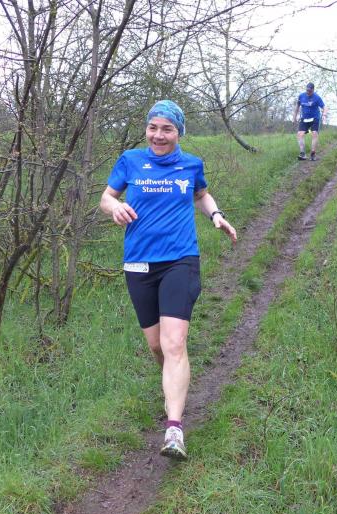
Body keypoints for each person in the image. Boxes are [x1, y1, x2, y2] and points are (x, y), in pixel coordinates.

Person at [99, 100, 237, 460]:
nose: (159, 135)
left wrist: (216, 215)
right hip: (138, 263)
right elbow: (106, 197)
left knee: (174, 342)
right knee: (157, 346)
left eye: (167, 129)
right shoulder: (130, 160)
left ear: (179, 133)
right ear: (146, 129)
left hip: (180, 260)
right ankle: (173, 385)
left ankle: (174, 428)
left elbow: (201, 194)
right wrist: (115, 207)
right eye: (153, 128)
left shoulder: (191, 164)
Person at [293, 82, 326, 161]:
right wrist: (294, 117)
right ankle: (302, 154)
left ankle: (313, 154)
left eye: (310, 91)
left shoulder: (317, 97)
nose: (308, 92)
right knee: (300, 134)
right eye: (307, 90)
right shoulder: (301, 96)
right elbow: (297, 107)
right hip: (304, 118)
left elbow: (324, 107)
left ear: (313, 90)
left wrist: (324, 115)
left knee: (314, 133)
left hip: (315, 118)